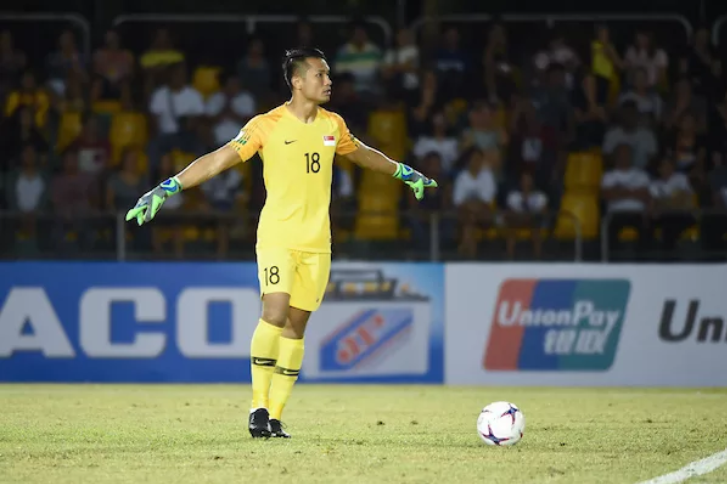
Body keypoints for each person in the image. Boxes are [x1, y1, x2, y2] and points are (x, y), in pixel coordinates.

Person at [124, 48, 437, 439]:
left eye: (328, 75)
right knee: (274, 312)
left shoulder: (333, 125)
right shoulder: (266, 125)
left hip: (317, 242)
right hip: (277, 236)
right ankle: (256, 407)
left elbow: (363, 155)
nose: (328, 81)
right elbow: (218, 159)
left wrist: (404, 172)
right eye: (320, 75)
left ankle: (274, 416)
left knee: (296, 327)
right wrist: (167, 187)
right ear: (298, 81)